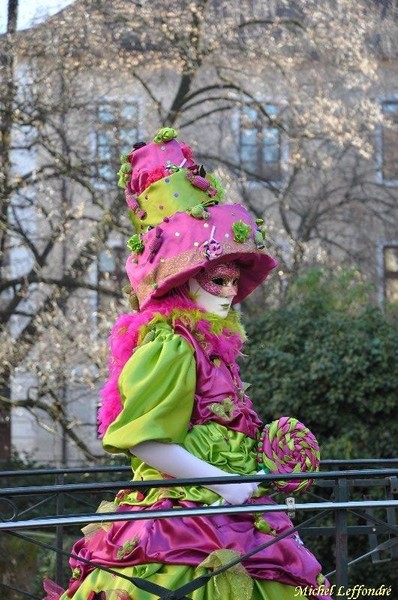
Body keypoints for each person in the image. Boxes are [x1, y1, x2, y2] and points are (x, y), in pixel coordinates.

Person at [44, 128, 331, 600]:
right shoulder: (173, 345)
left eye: (234, 282)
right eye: (217, 280)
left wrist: (269, 458)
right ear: (184, 280)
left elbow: (220, 430)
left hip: (239, 514)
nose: (229, 292)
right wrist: (227, 486)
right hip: (183, 530)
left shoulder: (214, 348)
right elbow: (146, 442)